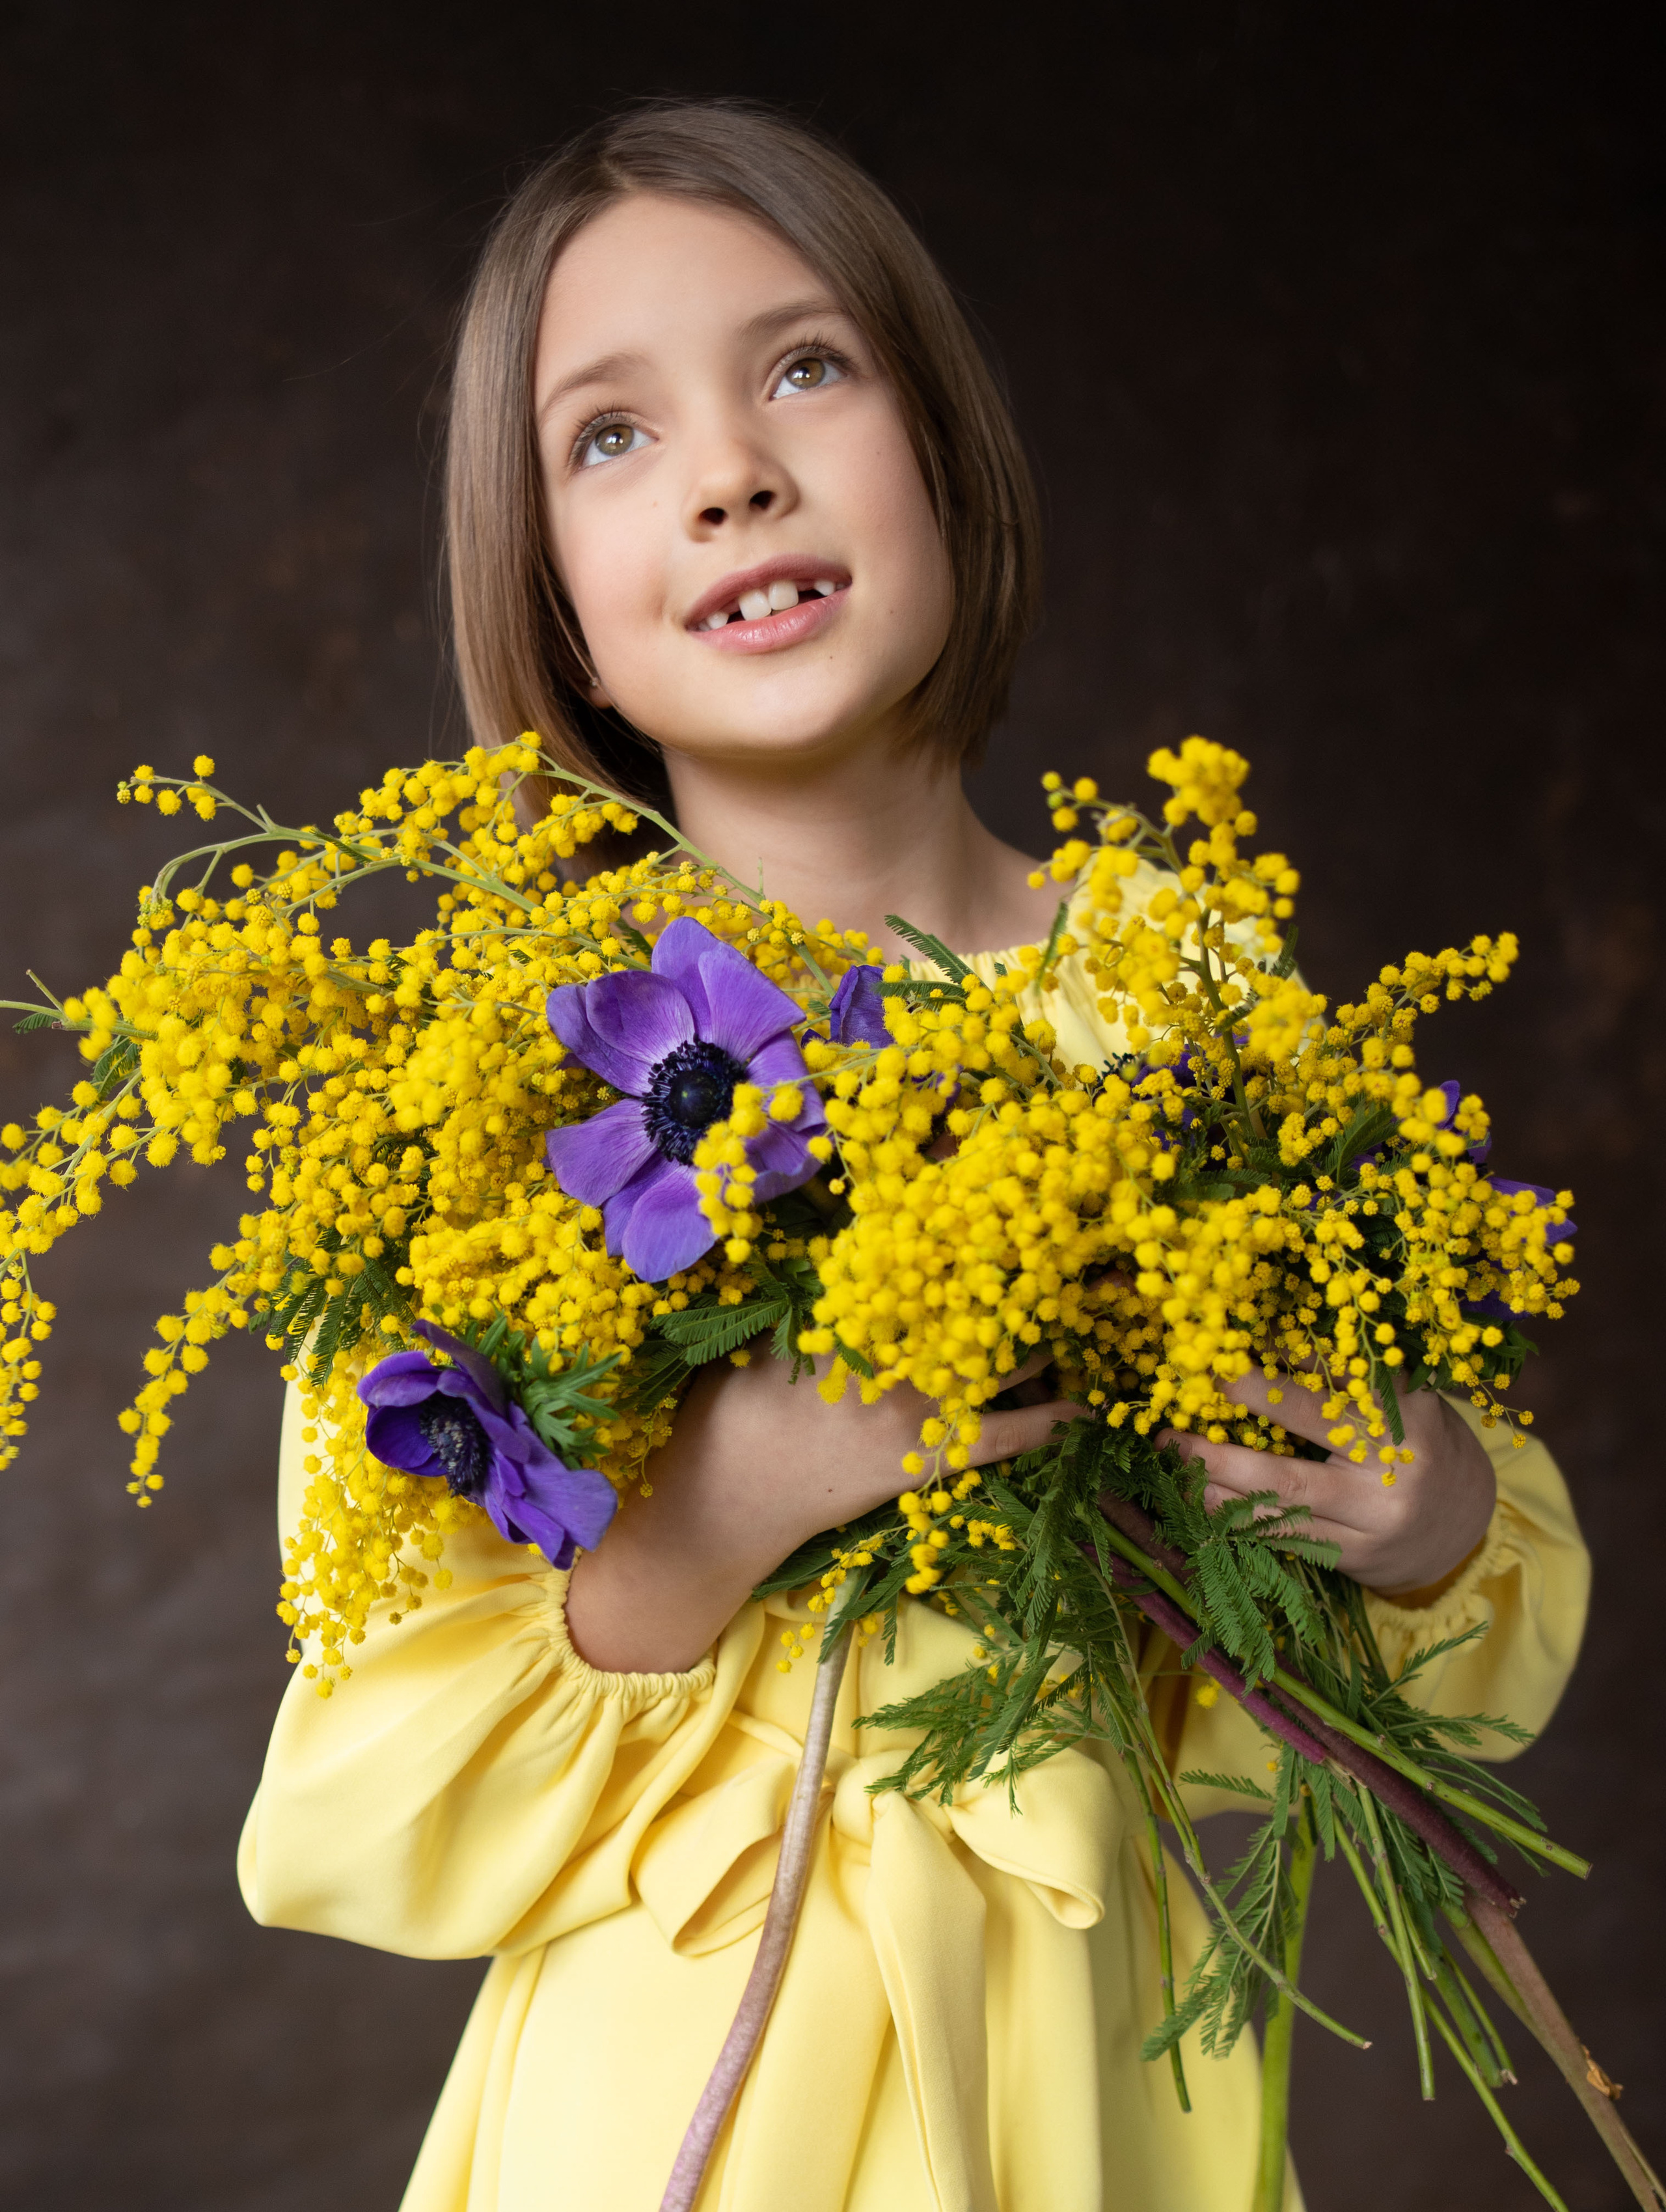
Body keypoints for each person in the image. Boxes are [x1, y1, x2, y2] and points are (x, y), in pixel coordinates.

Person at [238, 100, 1589, 2212]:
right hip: (681, 2101)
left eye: (805, 367)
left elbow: (1423, 1600)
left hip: (1107, 2088)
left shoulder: (1181, 991)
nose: (728, 471)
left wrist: (1421, 1509)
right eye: (611, 436)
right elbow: (367, 1772)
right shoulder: (488, 1078)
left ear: (947, 455)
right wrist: (716, 1510)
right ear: (555, 604)